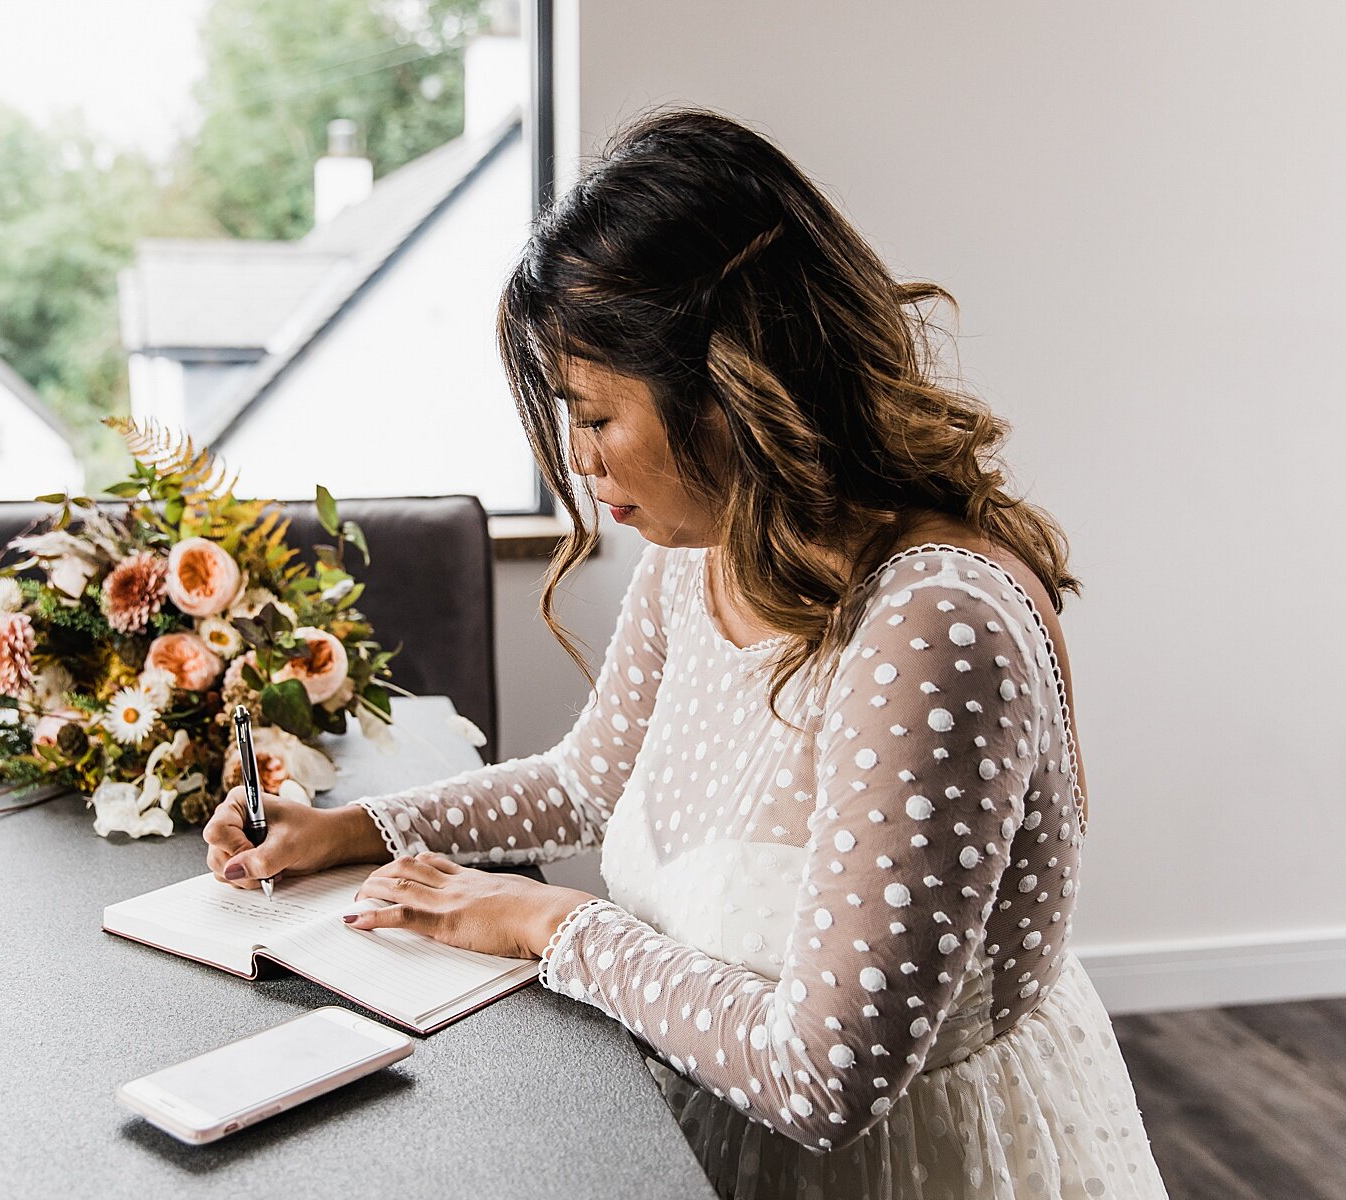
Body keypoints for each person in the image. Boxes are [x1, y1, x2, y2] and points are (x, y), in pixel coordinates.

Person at [204, 107, 1171, 1200]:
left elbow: (827, 1078)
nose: (579, 459)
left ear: (729, 389)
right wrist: (350, 830)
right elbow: (589, 784)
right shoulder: (703, 552)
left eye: (596, 415)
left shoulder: (933, 629)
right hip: (699, 1123)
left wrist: (550, 924)